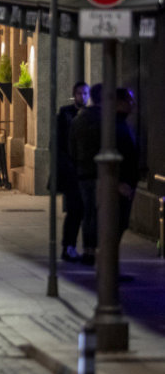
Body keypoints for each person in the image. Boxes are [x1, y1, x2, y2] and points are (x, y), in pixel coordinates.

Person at [70, 84, 102, 266]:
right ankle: (94, 249)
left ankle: (88, 249)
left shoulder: (79, 119)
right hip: (97, 172)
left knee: (88, 212)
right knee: (95, 213)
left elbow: (72, 148)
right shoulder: (103, 119)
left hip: (82, 171)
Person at [56, 82, 89, 262]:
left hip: (84, 172)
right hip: (72, 172)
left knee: (83, 212)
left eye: (85, 93)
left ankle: (83, 248)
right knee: (74, 211)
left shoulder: (90, 114)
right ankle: (68, 246)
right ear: (74, 94)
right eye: (79, 93)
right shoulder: (66, 114)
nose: (82, 97)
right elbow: (60, 143)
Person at [115, 87, 139, 245]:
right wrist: (118, 183)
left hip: (127, 184)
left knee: (121, 224)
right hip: (120, 185)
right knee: (116, 224)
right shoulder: (116, 126)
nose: (132, 104)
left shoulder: (124, 125)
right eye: (129, 100)